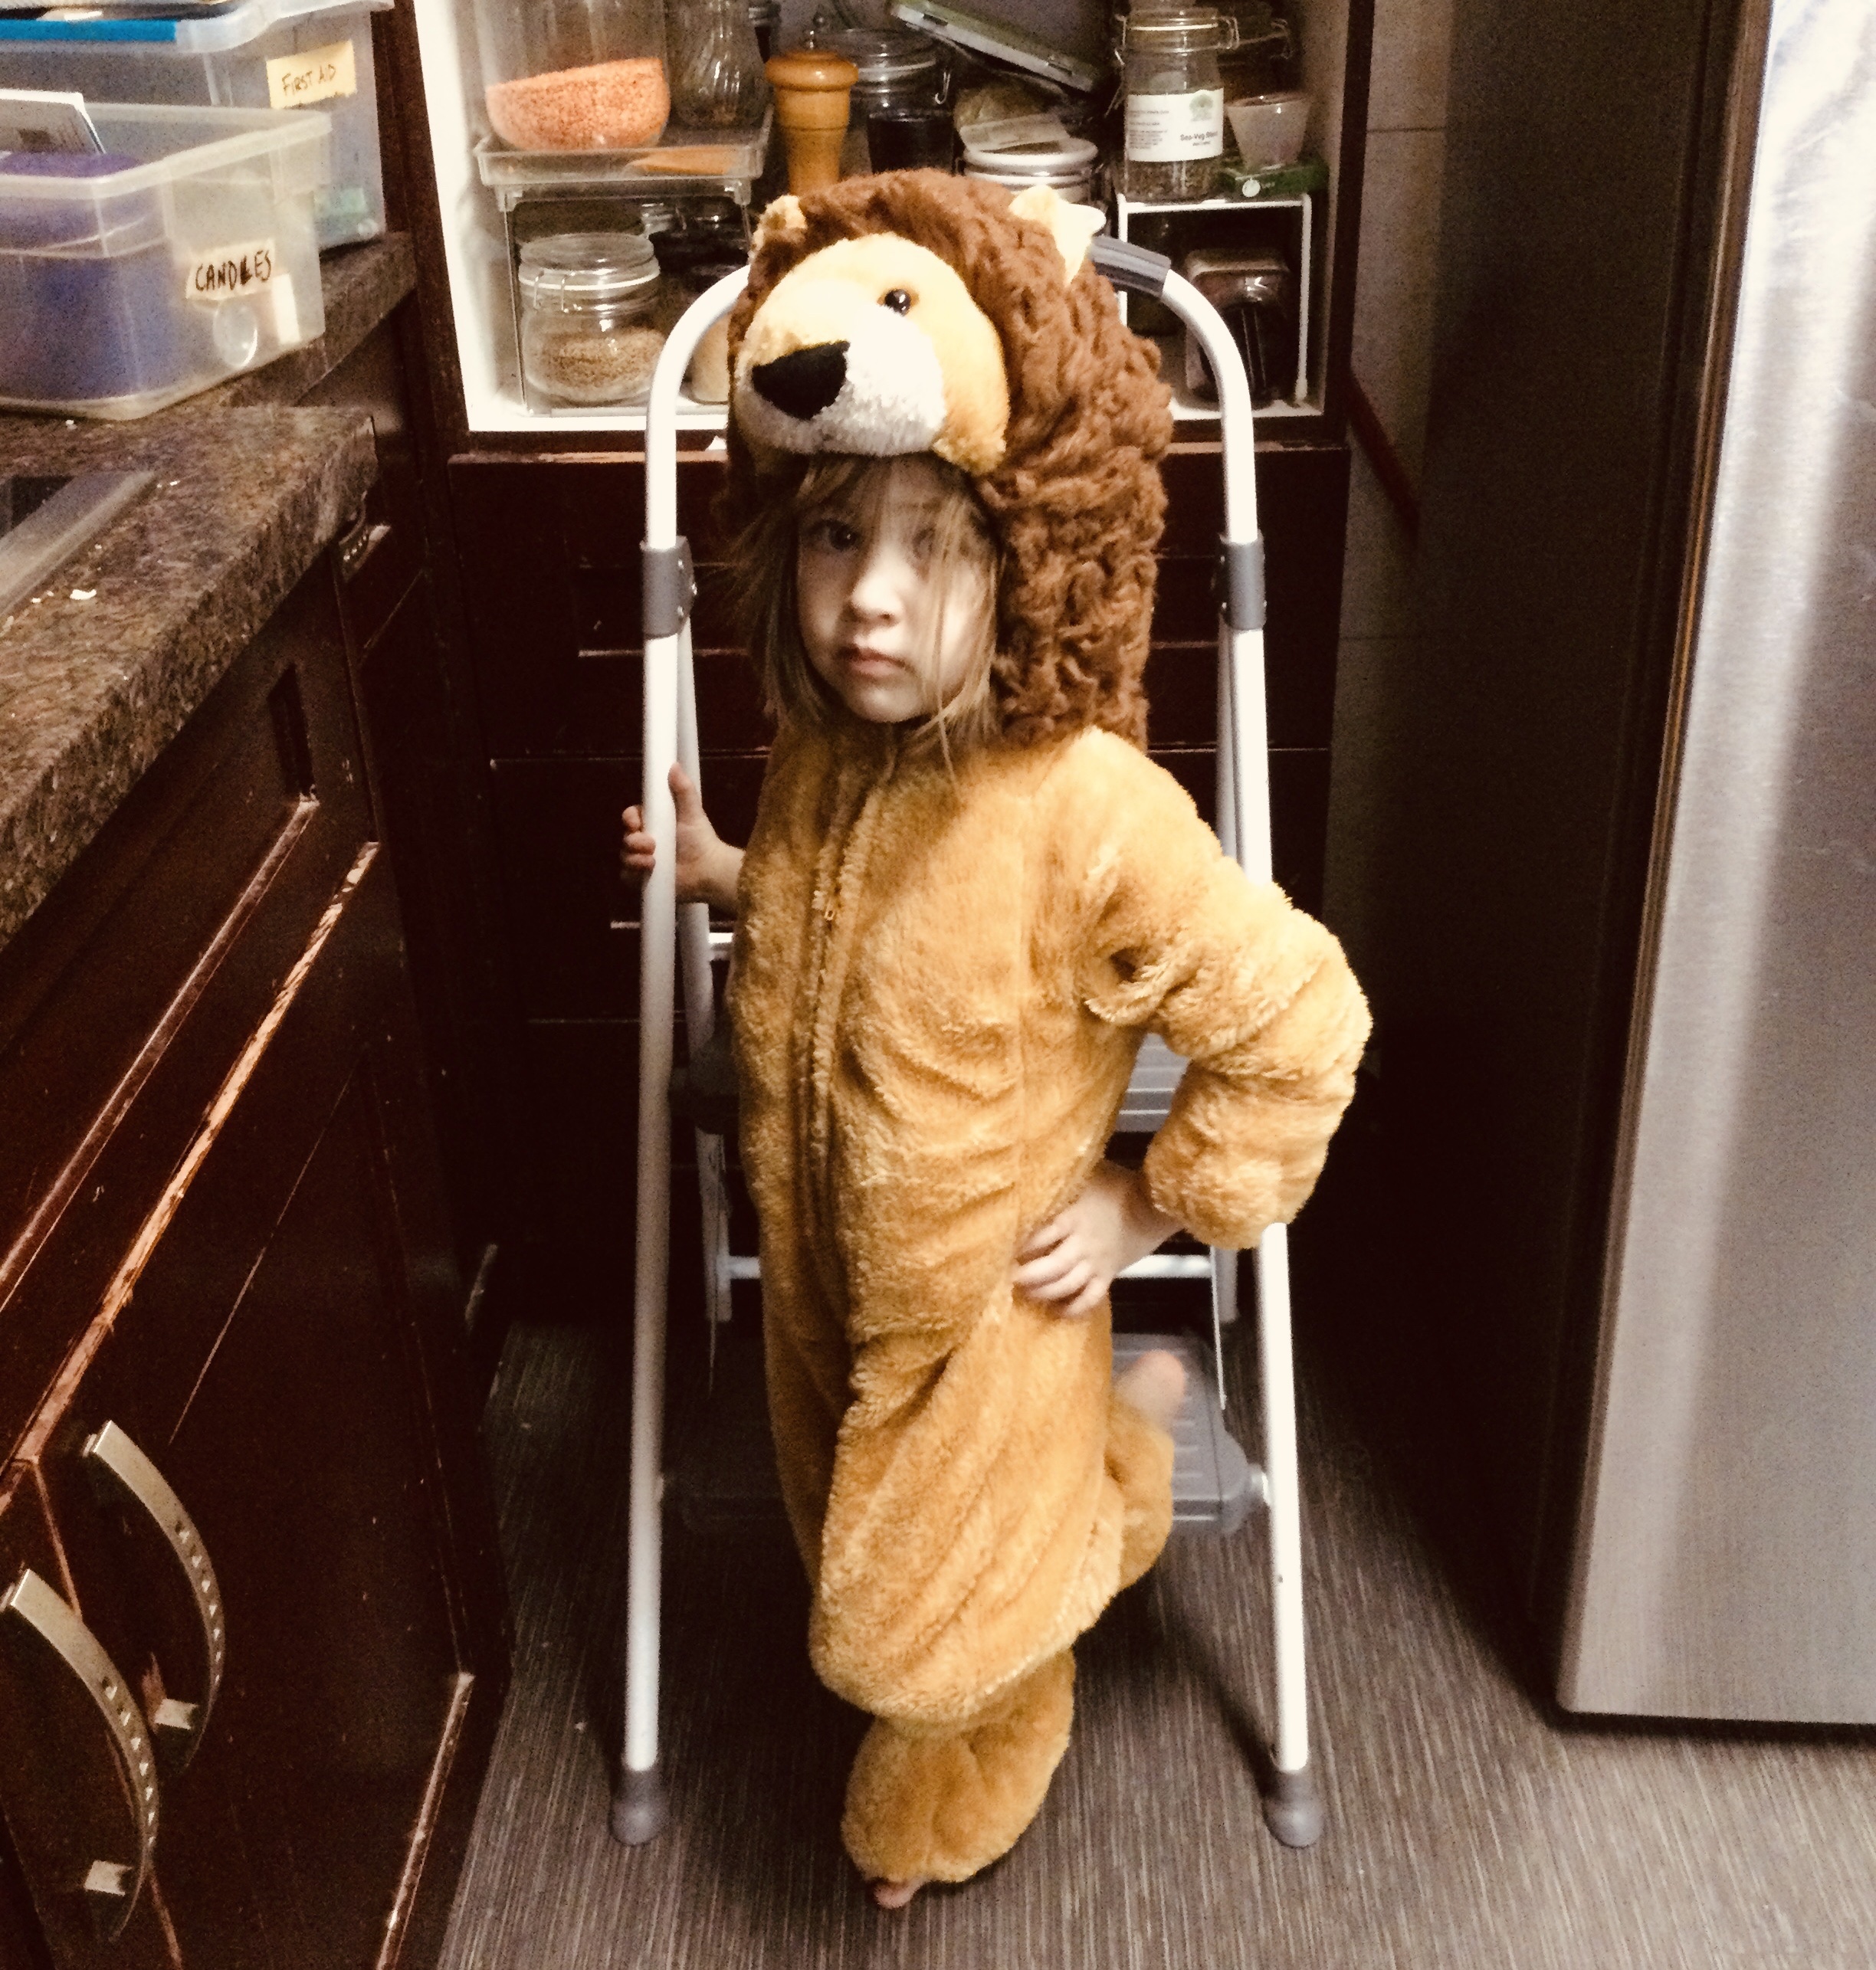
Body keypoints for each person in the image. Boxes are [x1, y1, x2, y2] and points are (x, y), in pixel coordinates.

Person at [622, 172, 1369, 1909]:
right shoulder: (832, 752)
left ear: (1022, 560)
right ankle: (1114, 1464)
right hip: (820, 1260)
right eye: (836, 537)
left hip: (988, 1306)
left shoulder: (1086, 807)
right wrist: (723, 866)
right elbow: (833, 905)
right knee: (835, 1523)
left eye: (935, 546)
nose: (870, 601)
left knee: (906, 1641)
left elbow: (1303, 1024)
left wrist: (1146, 1204)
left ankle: (986, 1721)